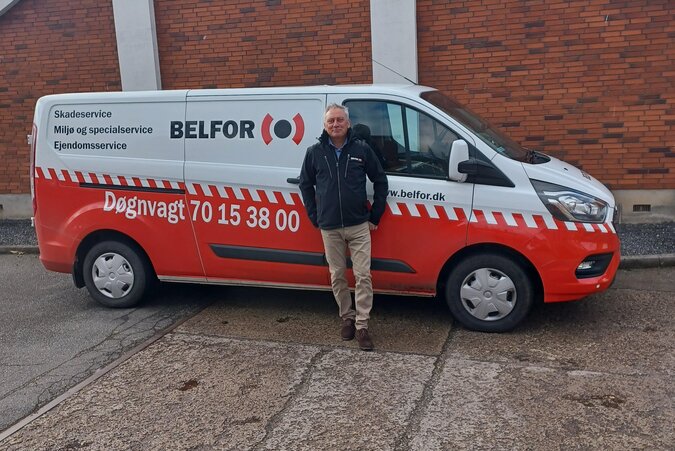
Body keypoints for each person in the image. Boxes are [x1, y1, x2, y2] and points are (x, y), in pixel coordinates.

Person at [299, 104, 388, 351]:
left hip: (358, 225)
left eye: (340, 120)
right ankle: (347, 317)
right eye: (331, 121)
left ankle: (362, 326)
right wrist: (314, 216)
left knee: (363, 276)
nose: (335, 124)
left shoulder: (361, 149)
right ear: (325, 125)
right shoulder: (315, 152)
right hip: (329, 227)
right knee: (337, 275)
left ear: (348, 123)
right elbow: (305, 184)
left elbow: (380, 180)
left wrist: (375, 215)